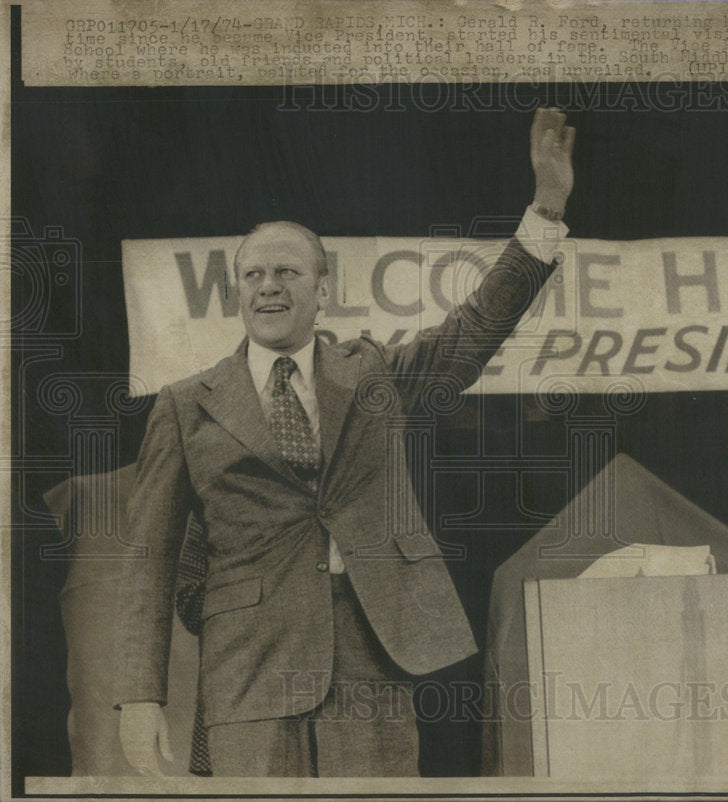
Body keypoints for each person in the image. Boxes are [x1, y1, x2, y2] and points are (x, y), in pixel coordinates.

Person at [114, 107, 575, 777]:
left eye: (288, 273)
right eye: (254, 276)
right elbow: (148, 560)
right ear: (237, 291)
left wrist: (545, 212)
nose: (269, 286)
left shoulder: (371, 374)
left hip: (371, 659)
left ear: (323, 289)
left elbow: (472, 331)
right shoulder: (185, 405)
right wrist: (139, 697)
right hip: (248, 669)